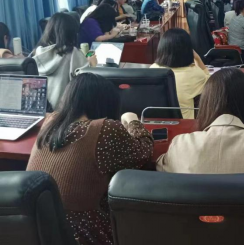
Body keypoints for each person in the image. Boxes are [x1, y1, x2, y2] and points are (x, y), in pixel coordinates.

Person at [27, 74, 153, 245]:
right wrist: (133, 121)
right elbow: (145, 151)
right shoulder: (105, 128)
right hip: (84, 235)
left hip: (38, 232)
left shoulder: (50, 121)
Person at [33, 13, 97, 110]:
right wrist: (93, 64)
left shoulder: (36, 53)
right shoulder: (72, 53)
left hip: (43, 111)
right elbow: (88, 84)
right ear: (71, 33)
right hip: (65, 112)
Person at [150, 29, 210, 119]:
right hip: (185, 125)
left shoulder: (152, 69)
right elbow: (210, 82)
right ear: (188, 50)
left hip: (156, 124)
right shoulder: (194, 74)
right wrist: (197, 58)